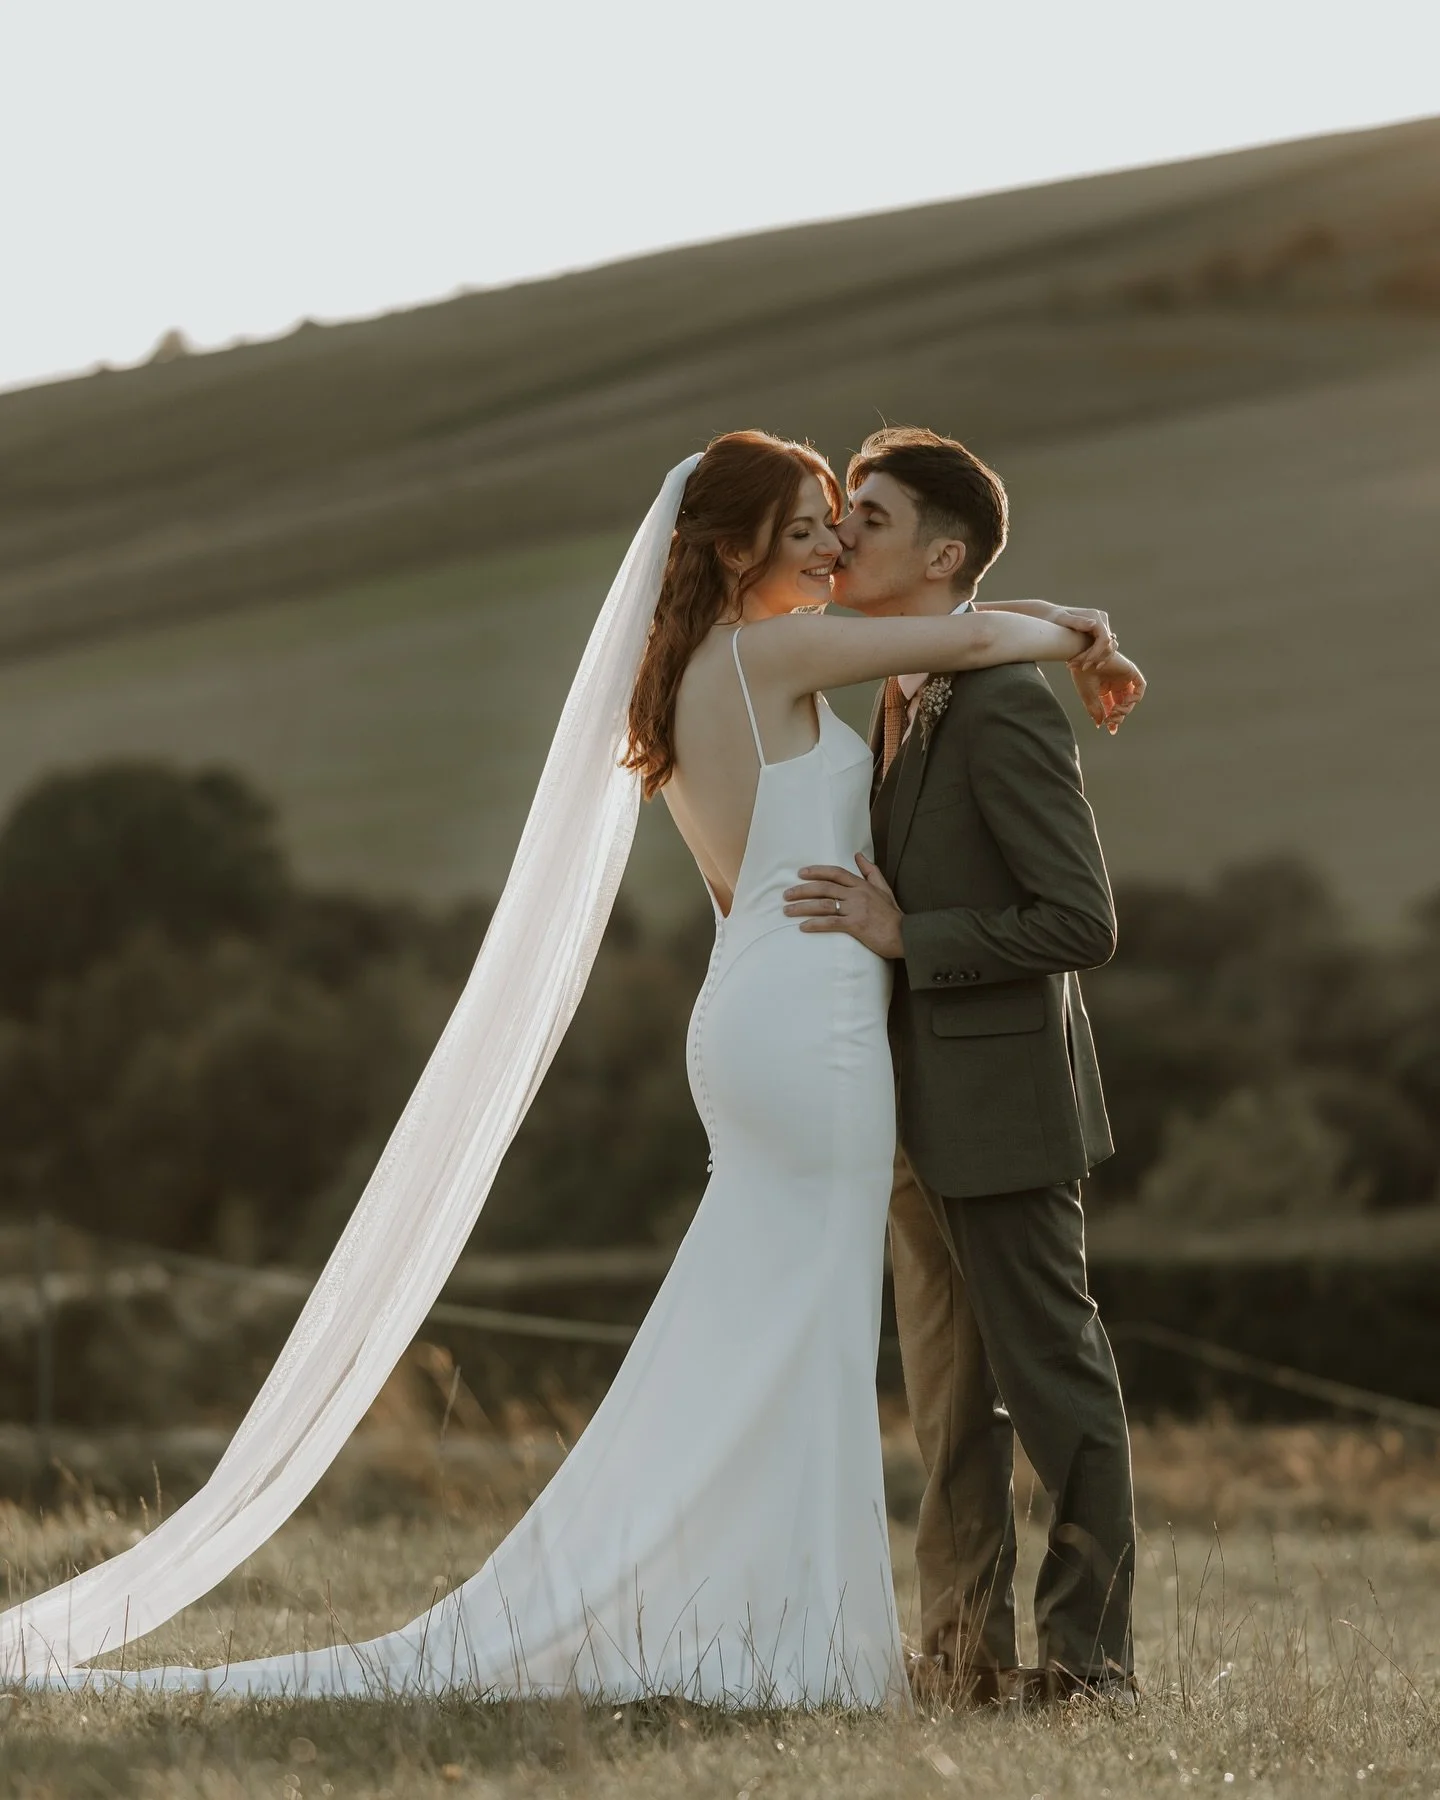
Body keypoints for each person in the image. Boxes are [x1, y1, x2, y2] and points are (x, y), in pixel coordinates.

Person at [1, 432, 1143, 1705]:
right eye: (812, 524)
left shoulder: (707, 677)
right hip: (810, 1027)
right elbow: (974, 636)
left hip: (762, 1005)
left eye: (849, 520)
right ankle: (800, 1634)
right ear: (732, 547)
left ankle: (806, 1621)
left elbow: (952, 665)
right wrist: (1081, 629)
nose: (832, 544)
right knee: (814, 1334)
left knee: (776, 1325)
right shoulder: (779, 657)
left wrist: (1043, 630)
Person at [783, 427, 1137, 1706]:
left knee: (1056, 1389)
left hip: (1003, 1105)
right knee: (945, 1414)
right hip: (901, 1113)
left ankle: (1092, 1668)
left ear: (939, 556)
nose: (841, 536)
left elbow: (1081, 922)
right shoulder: (891, 680)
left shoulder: (1002, 706)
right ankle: (963, 1659)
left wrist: (904, 934)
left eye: (866, 517)